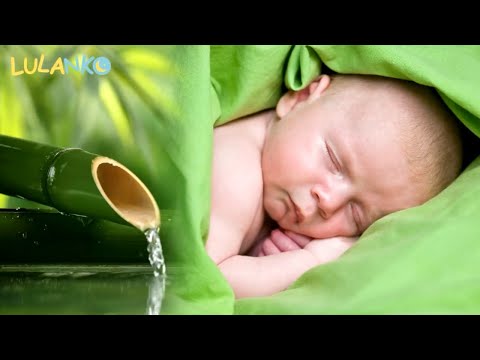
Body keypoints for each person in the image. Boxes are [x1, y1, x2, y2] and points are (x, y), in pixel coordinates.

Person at [206, 73, 463, 299]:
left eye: (355, 214)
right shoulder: (235, 173)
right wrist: (309, 261)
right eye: (333, 161)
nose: (329, 202)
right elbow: (207, 280)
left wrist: (267, 259)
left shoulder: (274, 175)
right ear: (300, 97)